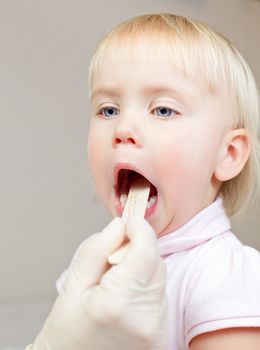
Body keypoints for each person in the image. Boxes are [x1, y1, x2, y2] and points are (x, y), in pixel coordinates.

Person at [27, 13, 260, 350]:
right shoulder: (91, 265)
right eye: (108, 110)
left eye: (163, 110)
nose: (123, 130)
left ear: (228, 153)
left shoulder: (227, 277)